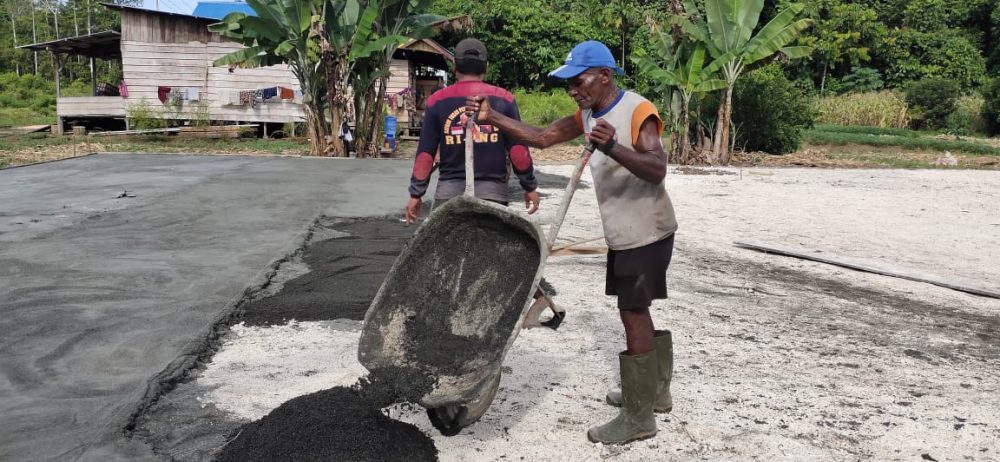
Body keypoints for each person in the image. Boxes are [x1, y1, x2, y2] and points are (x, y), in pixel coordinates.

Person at [465, 40, 678, 444]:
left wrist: (613, 146)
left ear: (604, 76)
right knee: (638, 308)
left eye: (578, 81)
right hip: (625, 232)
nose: (573, 90)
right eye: (568, 84)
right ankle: (654, 394)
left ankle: (639, 417)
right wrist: (493, 117)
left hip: (646, 230)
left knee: (632, 311)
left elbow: (657, 169)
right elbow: (543, 137)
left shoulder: (637, 110)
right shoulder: (587, 114)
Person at [405, 38, 539, 223]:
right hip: (493, 193)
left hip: (449, 193)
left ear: (454, 66)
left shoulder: (437, 101)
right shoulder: (504, 99)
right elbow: (518, 150)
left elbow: (426, 154)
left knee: (445, 249)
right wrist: (529, 186)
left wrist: (416, 194)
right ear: (486, 67)